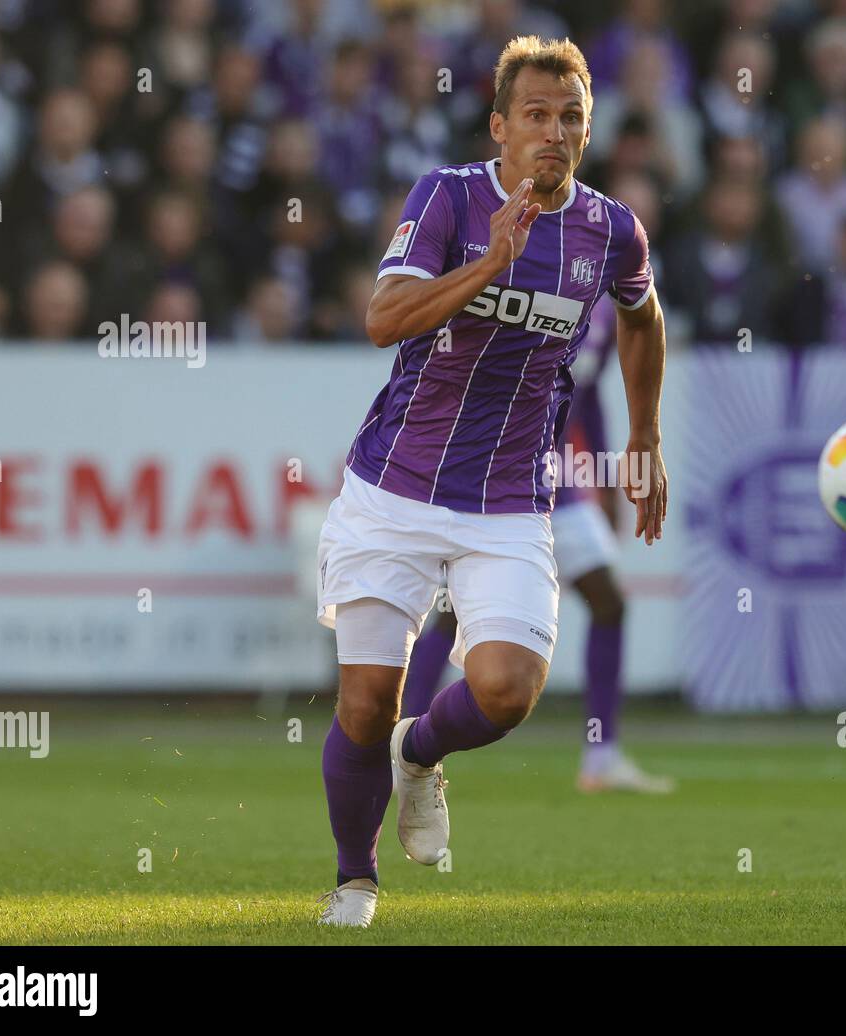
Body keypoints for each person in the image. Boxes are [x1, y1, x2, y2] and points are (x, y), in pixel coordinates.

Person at [313, 36, 669, 928]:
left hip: (510, 498)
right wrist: (486, 267)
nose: (553, 133)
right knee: (361, 701)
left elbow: (642, 315)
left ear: (587, 132)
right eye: (537, 117)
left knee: (507, 689)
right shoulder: (449, 196)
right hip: (394, 484)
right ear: (500, 127)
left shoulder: (611, 230)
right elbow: (383, 317)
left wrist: (646, 438)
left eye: (571, 117)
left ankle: (420, 755)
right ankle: (355, 881)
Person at [400, 295, 675, 794]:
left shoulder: (608, 308)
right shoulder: (532, 286)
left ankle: (601, 755)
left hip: (560, 485)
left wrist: (608, 484)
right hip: (497, 476)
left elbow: (587, 398)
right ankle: (401, 741)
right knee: (453, 610)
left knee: (608, 601)